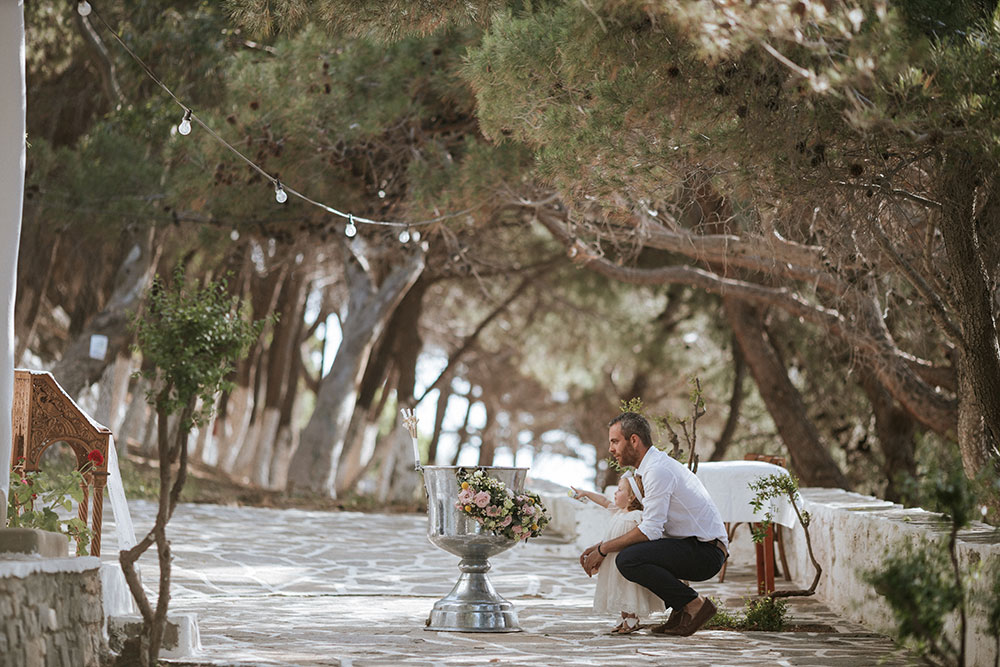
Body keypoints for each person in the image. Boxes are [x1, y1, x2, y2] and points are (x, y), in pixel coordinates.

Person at [579, 412, 728, 637]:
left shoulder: (658, 471)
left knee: (629, 559)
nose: (610, 448)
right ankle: (680, 610)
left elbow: (650, 531)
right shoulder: (648, 469)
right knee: (630, 554)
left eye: (615, 441)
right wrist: (602, 546)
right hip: (693, 546)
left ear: (634, 440)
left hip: (706, 552)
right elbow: (648, 525)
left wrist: (604, 549)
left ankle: (694, 605)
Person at [571, 472, 665, 634]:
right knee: (618, 587)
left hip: (627, 559)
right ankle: (624, 616)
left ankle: (632, 617)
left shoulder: (637, 516)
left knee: (630, 587)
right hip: (612, 561)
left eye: (620, 490)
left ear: (631, 498)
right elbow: (604, 501)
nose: (615, 492)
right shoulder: (618, 512)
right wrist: (585, 493)